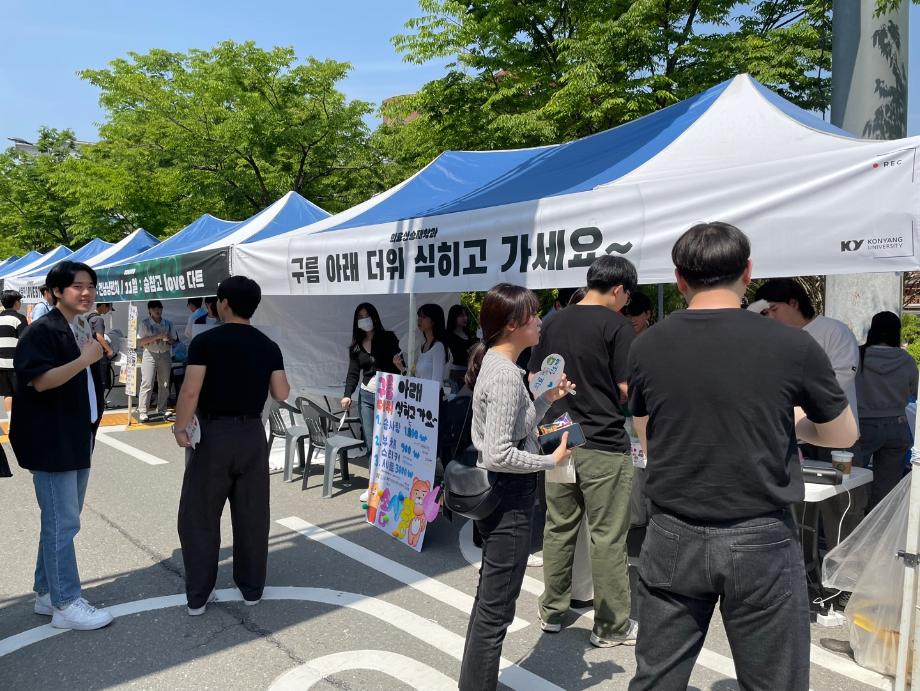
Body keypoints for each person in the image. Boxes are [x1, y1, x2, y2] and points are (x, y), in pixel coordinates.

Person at [627, 222, 857, 691]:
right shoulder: (792, 344)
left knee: (657, 678)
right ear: (747, 272)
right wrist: (795, 422)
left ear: (679, 279)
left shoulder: (647, 345)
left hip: (672, 529)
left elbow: (646, 436)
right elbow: (843, 434)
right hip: (761, 534)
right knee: (773, 681)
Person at [458, 283, 574, 691]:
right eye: (533, 315)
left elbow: (519, 427)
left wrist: (546, 399)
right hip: (509, 498)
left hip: (501, 497)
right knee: (496, 612)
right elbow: (499, 454)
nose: (540, 322)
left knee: (489, 603)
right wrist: (550, 461)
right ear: (512, 325)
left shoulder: (496, 361)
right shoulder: (506, 374)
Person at [529, 255, 638, 647]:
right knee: (607, 536)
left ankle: (552, 612)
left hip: (557, 435)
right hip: (602, 441)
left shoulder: (554, 321)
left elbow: (535, 378)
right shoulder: (617, 325)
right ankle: (611, 626)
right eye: (627, 295)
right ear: (619, 289)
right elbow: (627, 388)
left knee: (558, 527)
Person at [173, 275, 290, 616]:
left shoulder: (206, 342)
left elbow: (190, 392)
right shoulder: (268, 345)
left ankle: (198, 596)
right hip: (252, 435)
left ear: (223, 303)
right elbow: (282, 392)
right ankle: (252, 589)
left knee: (200, 515)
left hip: (214, 435)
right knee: (253, 514)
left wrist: (180, 427)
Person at [11, 261, 112, 630]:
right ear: (56, 291)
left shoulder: (78, 325)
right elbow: (40, 381)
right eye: (77, 286)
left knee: (60, 521)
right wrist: (84, 359)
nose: (86, 292)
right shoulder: (42, 331)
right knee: (62, 523)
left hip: (75, 436)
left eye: (91, 286)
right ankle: (66, 603)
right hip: (52, 440)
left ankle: (46, 592)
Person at [754, 278, 861, 549]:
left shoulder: (833, 331)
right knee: (799, 506)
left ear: (794, 303)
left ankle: (840, 566)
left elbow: (841, 379)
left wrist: (790, 404)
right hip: (793, 436)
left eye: (774, 309)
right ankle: (804, 561)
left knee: (839, 506)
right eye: (765, 312)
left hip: (835, 435)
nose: (770, 317)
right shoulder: (771, 339)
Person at [856, 311, 918, 510]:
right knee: (887, 488)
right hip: (897, 425)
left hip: (861, 426)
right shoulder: (906, 359)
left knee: (853, 481)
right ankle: (879, 524)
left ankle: (854, 522)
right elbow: (914, 390)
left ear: (872, 330)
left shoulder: (858, 355)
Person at [341, 303, 401, 455]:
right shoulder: (356, 347)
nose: (364, 319)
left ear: (374, 317)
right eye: (360, 317)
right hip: (367, 395)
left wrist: (399, 364)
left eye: (367, 315)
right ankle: (372, 471)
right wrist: (347, 394)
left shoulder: (388, 337)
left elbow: (401, 366)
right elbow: (353, 373)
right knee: (371, 441)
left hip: (388, 395)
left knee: (389, 440)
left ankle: (386, 471)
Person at [137, 300, 178, 423]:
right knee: (147, 382)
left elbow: (174, 341)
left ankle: (162, 408)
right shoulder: (144, 323)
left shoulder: (168, 323)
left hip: (165, 354)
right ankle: (143, 411)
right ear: (149, 310)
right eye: (154, 308)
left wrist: (168, 338)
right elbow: (140, 342)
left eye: (159, 308)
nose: (157, 310)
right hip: (149, 354)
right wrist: (157, 337)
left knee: (164, 383)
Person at [395, 303, 450, 387]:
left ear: (434, 321)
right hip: (420, 394)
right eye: (419, 316)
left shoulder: (438, 347)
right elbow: (416, 378)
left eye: (423, 317)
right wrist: (402, 368)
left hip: (430, 394)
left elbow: (436, 384)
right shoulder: (423, 345)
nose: (419, 320)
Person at [0, 289, 28, 414]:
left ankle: (10, 420)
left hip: (1, 363)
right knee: (20, 393)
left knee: (7, 393)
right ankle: (19, 421)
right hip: (15, 363)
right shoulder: (19, 318)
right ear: (16, 303)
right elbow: (25, 341)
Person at [446, 305, 476, 393]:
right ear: (454, 317)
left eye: (465, 315)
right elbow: (457, 355)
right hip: (457, 373)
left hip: (470, 371)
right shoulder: (449, 335)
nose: (465, 318)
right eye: (461, 316)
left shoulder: (468, 333)